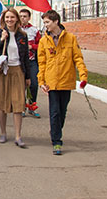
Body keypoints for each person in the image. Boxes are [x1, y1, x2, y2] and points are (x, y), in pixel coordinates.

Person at [37, 9, 88, 155]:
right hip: (51, 82)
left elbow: (78, 58)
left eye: (47, 22)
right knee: (54, 112)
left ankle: (55, 129)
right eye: (44, 22)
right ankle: (57, 141)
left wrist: (83, 76)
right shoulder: (43, 41)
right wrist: (42, 81)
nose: (45, 25)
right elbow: (42, 63)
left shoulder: (70, 38)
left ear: (56, 21)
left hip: (66, 80)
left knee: (62, 112)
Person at [0, 8, 31, 148]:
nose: (9, 20)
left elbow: (25, 57)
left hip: (17, 70)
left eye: (12, 17)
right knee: (2, 103)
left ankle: (18, 136)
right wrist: (1, 40)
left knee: (18, 103)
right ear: (3, 19)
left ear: (17, 19)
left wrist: (28, 76)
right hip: (2, 72)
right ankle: (3, 133)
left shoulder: (22, 35)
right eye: (7, 18)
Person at [19, 8, 42, 118]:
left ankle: (32, 106)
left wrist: (31, 46)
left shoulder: (34, 30)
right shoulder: (16, 30)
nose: (22, 18)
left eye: (25, 16)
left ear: (29, 18)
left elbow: (41, 45)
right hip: (19, 62)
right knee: (21, 85)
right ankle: (21, 107)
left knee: (33, 84)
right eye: (21, 16)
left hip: (31, 61)